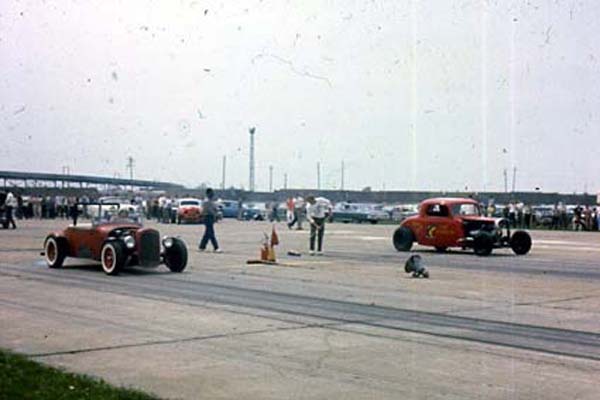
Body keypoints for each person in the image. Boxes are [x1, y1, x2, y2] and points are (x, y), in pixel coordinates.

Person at [199, 188, 221, 253]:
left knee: (207, 233)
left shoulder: (211, 201)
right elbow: (209, 210)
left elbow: (215, 208)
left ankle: (202, 246)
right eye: (211, 193)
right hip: (207, 217)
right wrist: (216, 214)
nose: (212, 194)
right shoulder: (206, 201)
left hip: (210, 217)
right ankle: (216, 247)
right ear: (208, 193)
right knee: (211, 233)